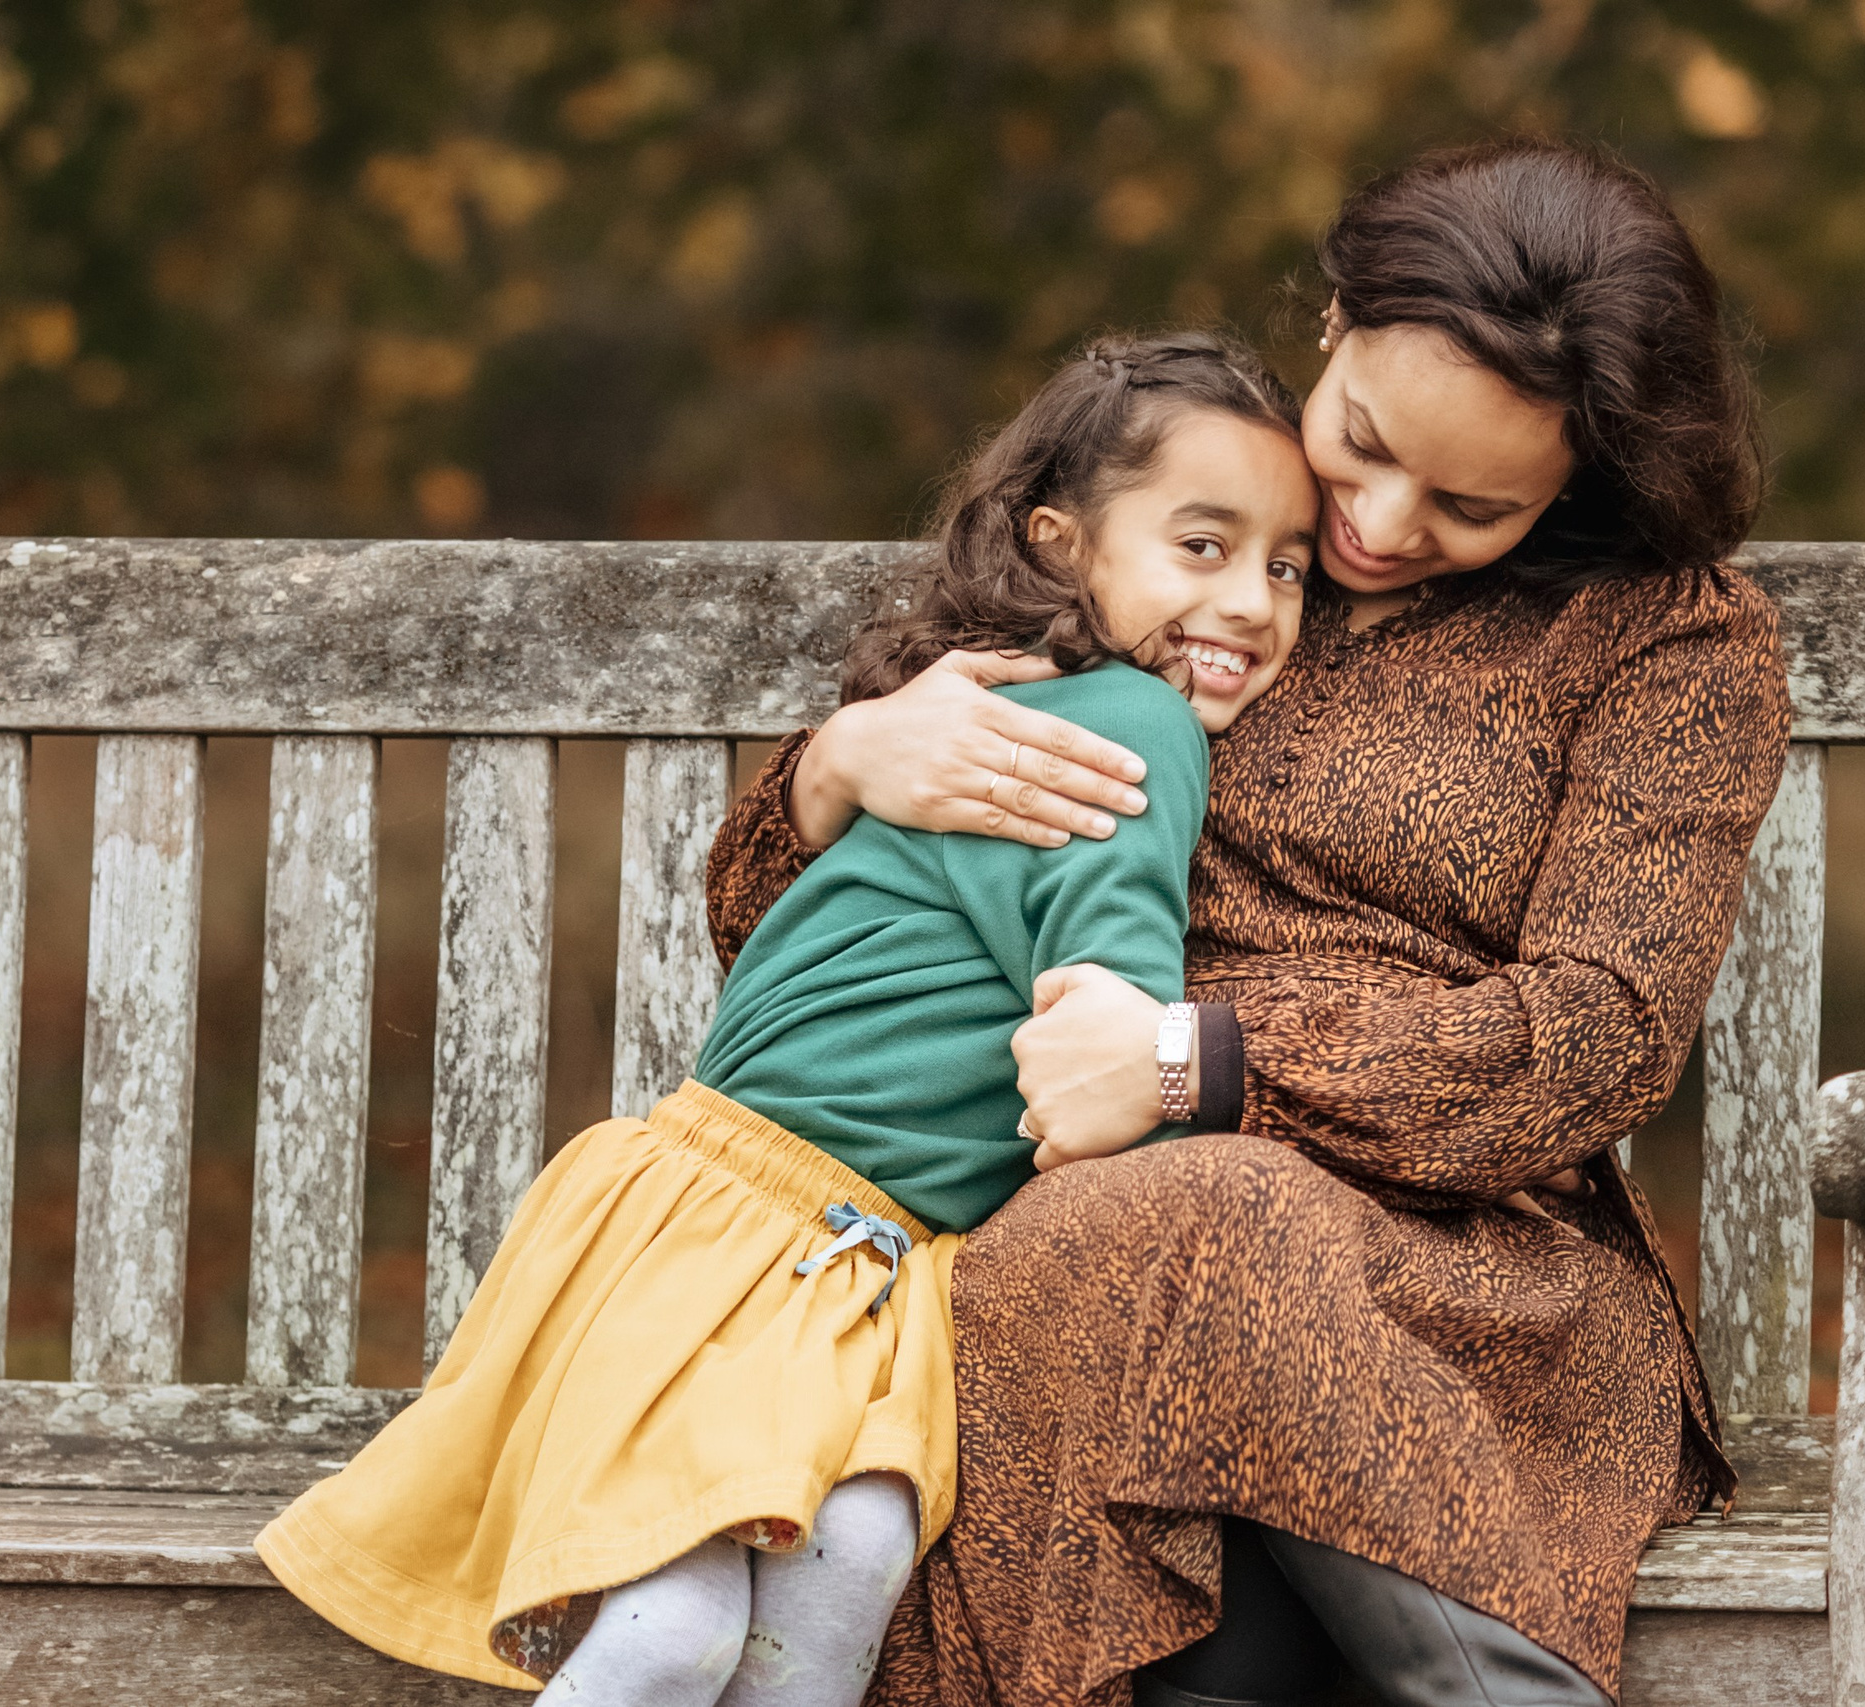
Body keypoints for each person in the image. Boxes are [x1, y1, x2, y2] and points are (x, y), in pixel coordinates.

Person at [702, 139, 1791, 1707]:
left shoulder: (1666, 639)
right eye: (1364, 444)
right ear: (1334, 320)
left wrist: (1192, 1060)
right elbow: (792, 953)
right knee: (1099, 1265)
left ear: (1580, 479)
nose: (1378, 527)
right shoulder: (1186, 536)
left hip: (1467, 1288)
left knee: (1185, 1221)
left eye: (1473, 504)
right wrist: (837, 772)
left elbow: (1597, 1039)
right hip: (1075, 1267)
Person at [255, 329, 1319, 1706]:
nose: (1250, 601)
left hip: (848, 1270)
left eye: (1287, 566)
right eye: (1203, 546)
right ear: (1062, 545)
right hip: (752, 1249)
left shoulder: (986, 704)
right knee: (680, 1631)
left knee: (853, 1554)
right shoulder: (1132, 724)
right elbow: (1099, 1015)